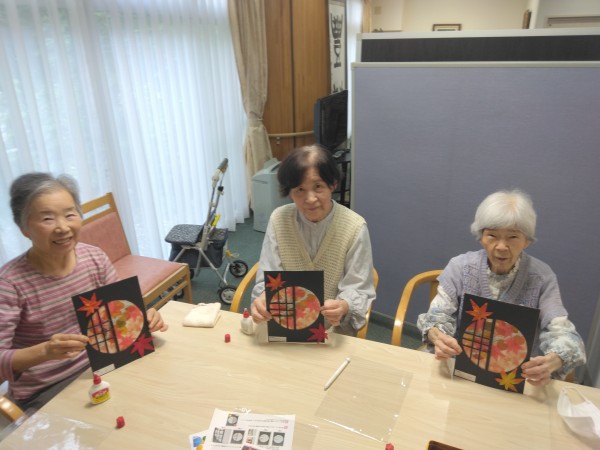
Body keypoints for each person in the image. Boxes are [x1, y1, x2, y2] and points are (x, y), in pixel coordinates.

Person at [0, 172, 168, 411]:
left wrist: (143, 317)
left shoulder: (94, 257)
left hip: (105, 365)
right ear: (23, 228)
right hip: (49, 388)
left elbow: (118, 313)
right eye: (47, 219)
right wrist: (45, 351)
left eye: (70, 215)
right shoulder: (9, 284)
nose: (63, 227)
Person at [417, 189, 586, 385]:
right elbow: (437, 316)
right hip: (457, 368)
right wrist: (438, 336)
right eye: (492, 235)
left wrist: (553, 360)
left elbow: (563, 332)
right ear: (481, 237)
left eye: (513, 237)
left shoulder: (542, 277)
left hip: (512, 379)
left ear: (527, 241)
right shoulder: (460, 267)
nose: (501, 246)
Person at [250, 145, 376, 336]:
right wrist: (263, 299)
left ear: (332, 184)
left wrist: (344, 305)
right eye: (300, 189)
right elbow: (269, 275)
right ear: (289, 192)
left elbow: (358, 286)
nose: (310, 199)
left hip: (332, 331)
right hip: (285, 327)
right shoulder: (279, 219)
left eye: (318, 187)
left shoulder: (355, 227)